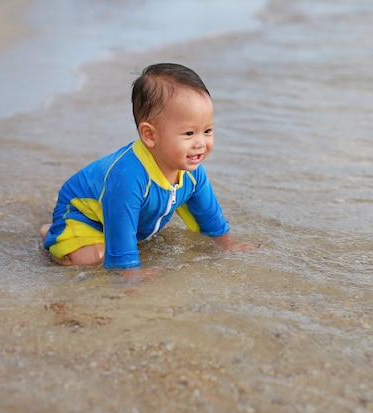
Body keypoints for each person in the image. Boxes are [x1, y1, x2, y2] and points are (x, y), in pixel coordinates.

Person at [40, 63, 250, 270]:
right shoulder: (128, 176)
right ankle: (55, 233)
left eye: (208, 131)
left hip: (118, 217)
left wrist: (227, 246)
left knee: (137, 238)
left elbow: (210, 218)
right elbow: (120, 238)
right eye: (189, 133)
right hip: (83, 217)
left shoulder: (192, 173)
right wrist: (130, 271)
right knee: (93, 257)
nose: (201, 143)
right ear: (150, 135)